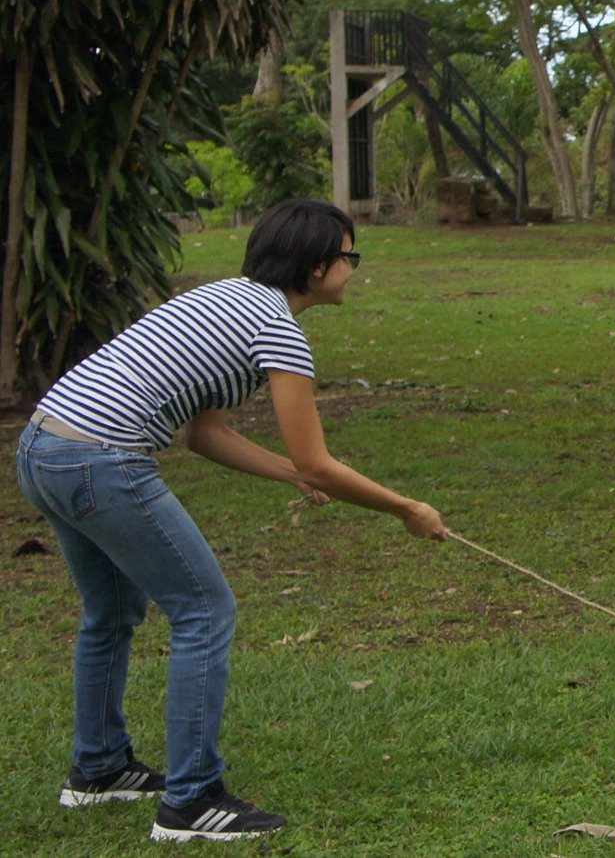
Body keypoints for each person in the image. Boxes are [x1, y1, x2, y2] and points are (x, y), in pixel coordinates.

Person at [18, 199, 449, 842]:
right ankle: (191, 803)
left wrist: (288, 473)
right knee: (204, 611)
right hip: (101, 460)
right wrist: (406, 508)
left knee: (111, 613)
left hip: (43, 449)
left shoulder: (223, 298)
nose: (355, 270)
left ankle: (100, 769)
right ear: (318, 265)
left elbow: (204, 434)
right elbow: (321, 461)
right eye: (351, 257)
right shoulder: (278, 329)